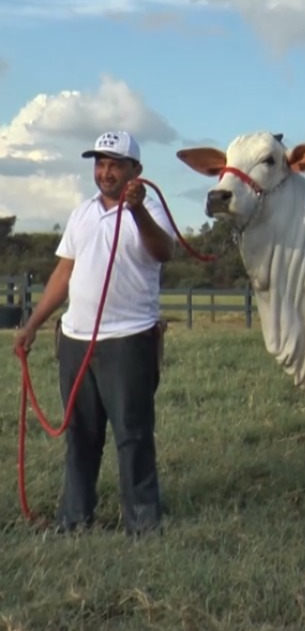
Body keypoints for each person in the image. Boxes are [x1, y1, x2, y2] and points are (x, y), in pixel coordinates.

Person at [12, 130, 177, 537]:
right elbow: (64, 273)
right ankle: (74, 520)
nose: (105, 172)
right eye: (100, 164)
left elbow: (163, 252)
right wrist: (32, 324)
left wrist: (136, 211)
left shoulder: (152, 206)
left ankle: (143, 523)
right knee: (80, 434)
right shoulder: (82, 212)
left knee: (132, 435)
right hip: (76, 339)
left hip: (129, 338)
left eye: (114, 164)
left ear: (135, 170)